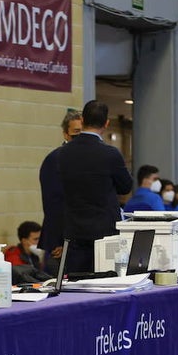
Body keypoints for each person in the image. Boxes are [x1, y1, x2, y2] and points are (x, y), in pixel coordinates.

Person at [57, 100, 134, 272]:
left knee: (77, 285)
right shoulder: (110, 154)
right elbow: (125, 187)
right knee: (106, 282)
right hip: (105, 232)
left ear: (82, 120)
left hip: (74, 231)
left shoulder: (63, 153)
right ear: (106, 124)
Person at [38, 109, 82, 272]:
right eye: (76, 132)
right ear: (65, 134)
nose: (80, 136)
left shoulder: (87, 158)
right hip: (62, 245)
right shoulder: (55, 159)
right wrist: (60, 242)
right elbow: (53, 204)